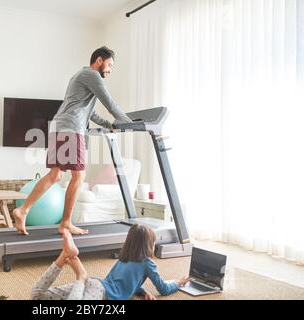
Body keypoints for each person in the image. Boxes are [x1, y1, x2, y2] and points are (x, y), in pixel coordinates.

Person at [14, 46, 132, 236]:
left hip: (60, 126)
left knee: (55, 175)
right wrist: (128, 123)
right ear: (99, 60)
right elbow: (110, 103)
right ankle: (66, 223)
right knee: (79, 176)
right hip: (71, 129)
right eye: (109, 65)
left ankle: (23, 210)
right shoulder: (92, 75)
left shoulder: (79, 76)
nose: (110, 70)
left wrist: (110, 124)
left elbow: (89, 112)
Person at [30, 224, 189, 300]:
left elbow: (123, 283)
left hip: (93, 285)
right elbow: (163, 288)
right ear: (149, 244)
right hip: (98, 291)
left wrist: (142, 291)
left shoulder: (123, 258)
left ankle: (64, 255)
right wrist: (178, 283)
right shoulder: (147, 263)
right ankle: (80, 275)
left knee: (37, 296)